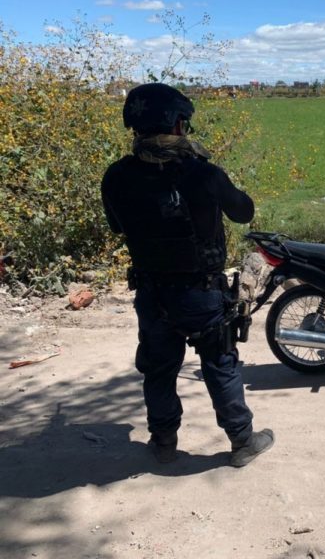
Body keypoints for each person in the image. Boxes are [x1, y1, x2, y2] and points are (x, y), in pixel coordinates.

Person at [101, 83, 274, 467]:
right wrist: (214, 181)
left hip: (152, 293)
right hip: (201, 293)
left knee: (159, 369)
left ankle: (164, 442)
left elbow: (117, 226)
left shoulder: (116, 176)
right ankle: (242, 441)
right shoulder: (203, 174)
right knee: (220, 363)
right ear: (178, 124)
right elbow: (244, 211)